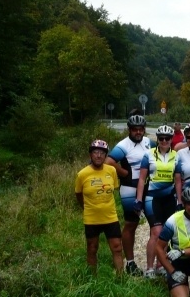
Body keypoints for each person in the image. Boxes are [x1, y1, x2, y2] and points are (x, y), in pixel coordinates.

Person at [106, 115, 154, 275]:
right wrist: (123, 172)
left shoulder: (148, 141)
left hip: (149, 187)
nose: (138, 132)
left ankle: (158, 262)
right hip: (129, 190)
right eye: (135, 129)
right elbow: (109, 162)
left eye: (141, 129)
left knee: (156, 224)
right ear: (129, 130)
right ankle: (131, 262)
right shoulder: (123, 145)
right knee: (131, 225)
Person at [137, 124, 179, 278]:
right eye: (161, 138)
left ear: (171, 139)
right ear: (157, 139)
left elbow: (178, 180)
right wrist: (138, 199)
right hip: (152, 198)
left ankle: (160, 265)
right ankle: (149, 268)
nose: (164, 141)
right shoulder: (148, 155)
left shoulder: (176, 155)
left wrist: (180, 201)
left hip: (169, 199)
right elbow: (142, 179)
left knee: (166, 234)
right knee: (155, 232)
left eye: (167, 138)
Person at [74, 140, 123, 273]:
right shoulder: (82, 174)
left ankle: (121, 278)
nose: (99, 156)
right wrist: (86, 208)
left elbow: (114, 190)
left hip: (110, 217)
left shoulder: (112, 170)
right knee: (92, 248)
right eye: (95, 152)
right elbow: (78, 194)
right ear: (91, 155)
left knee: (117, 247)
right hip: (91, 218)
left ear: (106, 155)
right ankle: (92, 278)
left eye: (102, 153)